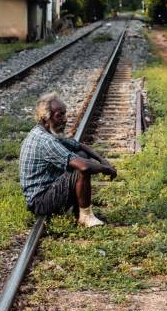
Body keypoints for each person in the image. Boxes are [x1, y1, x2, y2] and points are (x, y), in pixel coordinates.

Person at [19, 92, 117, 227]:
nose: (65, 119)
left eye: (64, 114)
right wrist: (106, 169)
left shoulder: (44, 131)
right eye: (60, 115)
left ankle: (79, 212)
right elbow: (84, 167)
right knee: (80, 167)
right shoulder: (45, 141)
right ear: (45, 118)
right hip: (40, 202)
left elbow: (78, 145)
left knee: (81, 154)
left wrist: (102, 160)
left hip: (46, 191)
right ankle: (85, 216)